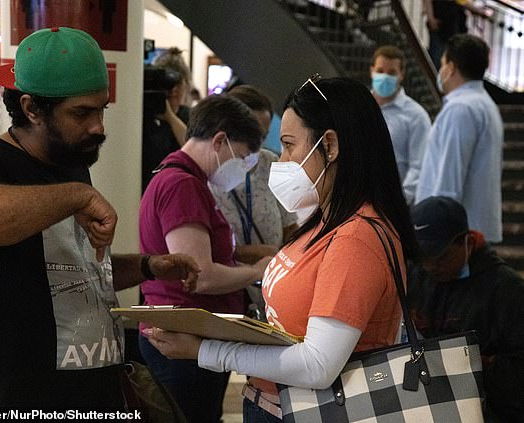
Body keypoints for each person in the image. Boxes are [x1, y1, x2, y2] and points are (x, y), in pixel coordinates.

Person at [0, 26, 200, 409]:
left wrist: (148, 266)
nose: (98, 126)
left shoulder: (69, 161)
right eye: (81, 112)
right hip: (17, 398)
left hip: (92, 393)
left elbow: (69, 272)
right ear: (31, 109)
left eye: (101, 109)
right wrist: (78, 195)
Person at [144, 76, 420, 422]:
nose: (282, 159)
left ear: (330, 146)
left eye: (289, 145)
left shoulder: (355, 238)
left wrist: (207, 350)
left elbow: (317, 365)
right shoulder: (325, 221)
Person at [138, 94, 270, 423]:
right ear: (220, 140)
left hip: (191, 336)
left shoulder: (186, 180)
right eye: (241, 158)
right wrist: (257, 271)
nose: (240, 170)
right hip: (183, 340)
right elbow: (201, 275)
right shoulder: (181, 184)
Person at [408, 196, 524, 422]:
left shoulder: (506, 291)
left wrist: (472, 364)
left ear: (467, 242)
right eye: (424, 258)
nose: (431, 267)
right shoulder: (416, 275)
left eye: (441, 257)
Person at [415, 34, 503, 243]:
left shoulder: (460, 109)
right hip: (471, 230)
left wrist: (435, 233)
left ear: (451, 68)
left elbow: (449, 180)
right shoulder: (484, 104)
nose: (441, 70)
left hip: (455, 237)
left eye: (442, 64)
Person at [211, 85, 297, 263]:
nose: (256, 144)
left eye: (262, 136)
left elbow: (290, 227)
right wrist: (245, 253)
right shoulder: (209, 171)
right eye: (250, 134)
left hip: (270, 278)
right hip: (227, 281)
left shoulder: (270, 163)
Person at [370, 45, 431, 204]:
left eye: (391, 73)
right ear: (372, 71)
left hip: (395, 205)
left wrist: (398, 202)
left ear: (401, 75)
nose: (384, 77)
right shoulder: (358, 107)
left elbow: (419, 168)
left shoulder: (416, 116)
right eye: (380, 71)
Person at [142, 47, 192, 191]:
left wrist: (170, 117)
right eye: (168, 85)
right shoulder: (143, 117)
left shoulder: (190, 116)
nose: (173, 90)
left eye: (178, 84)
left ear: (186, 86)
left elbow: (194, 149)